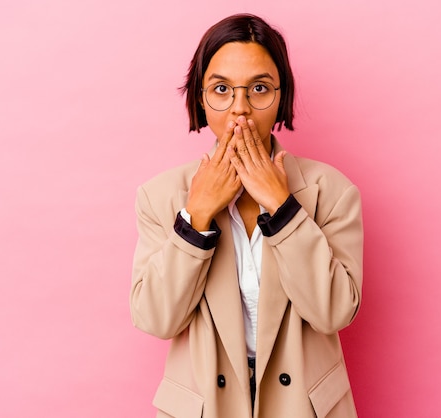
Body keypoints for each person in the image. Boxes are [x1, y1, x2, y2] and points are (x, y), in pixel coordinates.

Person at [130, 13, 363, 418]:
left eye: (258, 88)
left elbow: (334, 312)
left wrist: (284, 208)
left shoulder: (333, 191)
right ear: (201, 99)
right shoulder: (161, 196)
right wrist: (196, 215)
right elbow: (155, 318)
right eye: (221, 89)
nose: (240, 109)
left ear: (281, 94)